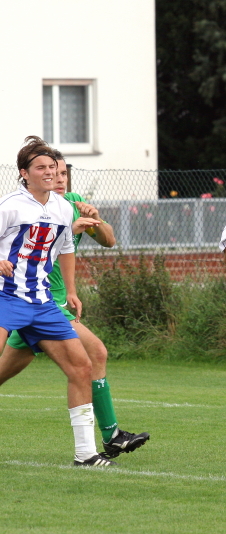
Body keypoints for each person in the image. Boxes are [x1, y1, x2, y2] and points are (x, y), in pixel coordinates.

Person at [0, 151, 150, 458]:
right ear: (24, 173)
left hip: (44, 302)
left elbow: (93, 243)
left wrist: (72, 289)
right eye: (44, 169)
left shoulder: (66, 206)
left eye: (59, 171)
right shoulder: (12, 206)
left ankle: (90, 452)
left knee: (85, 363)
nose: (54, 176)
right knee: (93, 355)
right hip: (10, 296)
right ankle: (112, 436)